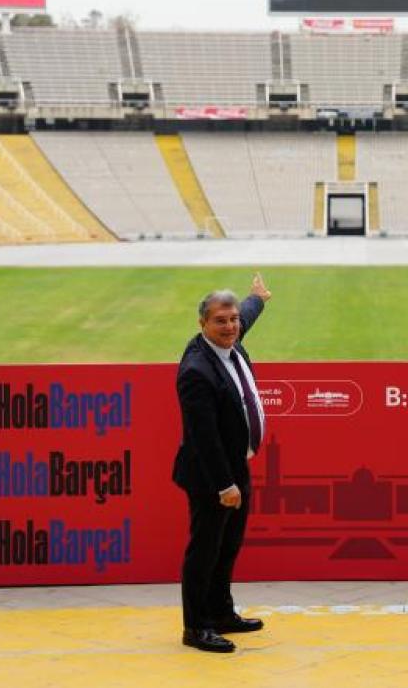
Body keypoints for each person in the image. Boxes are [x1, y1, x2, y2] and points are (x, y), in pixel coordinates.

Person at [173, 273, 272, 653]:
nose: (231, 326)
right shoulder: (196, 372)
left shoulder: (229, 343)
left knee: (228, 546)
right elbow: (204, 439)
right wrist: (224, 485)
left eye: (233, 320)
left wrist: (257, 298)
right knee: (205, 551)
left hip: (235, 466)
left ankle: (220, 612)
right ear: (202, 324)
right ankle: (197, 627)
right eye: (221, 321)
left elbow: (243, 316)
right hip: (211, 476)